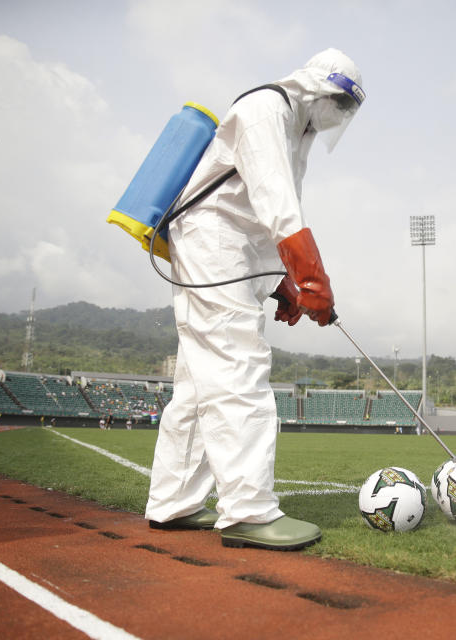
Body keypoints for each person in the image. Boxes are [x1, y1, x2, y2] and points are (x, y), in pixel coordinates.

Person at [145, 48, 365, 552]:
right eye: (337, 101)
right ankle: (248, 512)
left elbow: (262, 220)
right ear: (314, 86)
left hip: (232, 249)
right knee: (238, 366)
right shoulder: (268, 109)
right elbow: (277, 207)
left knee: (200, 385)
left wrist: (280, 284)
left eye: (347, 108)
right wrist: (311, 279)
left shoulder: (296, 129)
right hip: (212, 241)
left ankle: (172, 502)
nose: (338, 114)